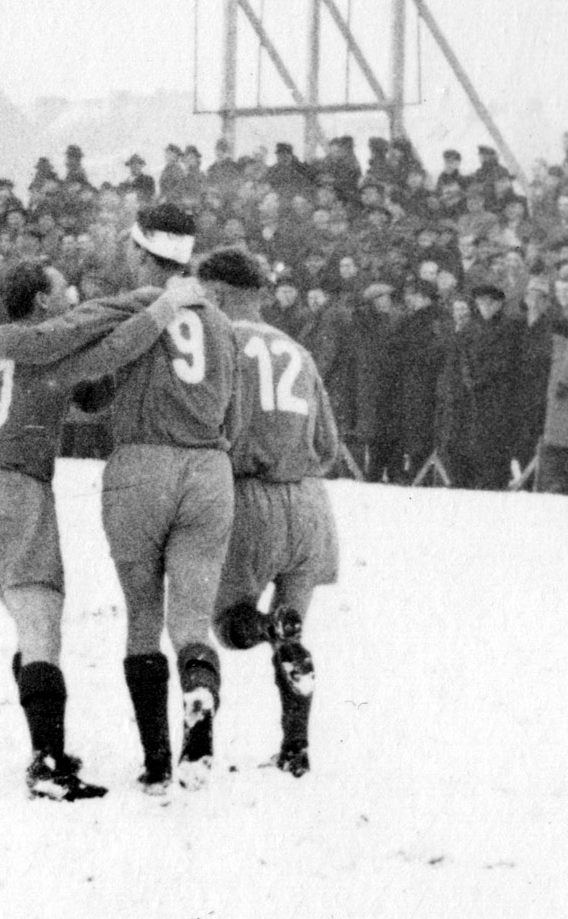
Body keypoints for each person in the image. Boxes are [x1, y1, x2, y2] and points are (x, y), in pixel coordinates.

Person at [0, 202, 242, 792]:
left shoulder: (116, 307)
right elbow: (106, 365)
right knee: (185, 620)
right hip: (206, 467)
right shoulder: (216, 320)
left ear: (143, 252)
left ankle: (149, 762)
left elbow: (80, 368)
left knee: (110, 621)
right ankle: (190, 716)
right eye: (61, 286)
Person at [195, 249, 337, 777]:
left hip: (247, 497)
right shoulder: (299, 349)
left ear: (218, 294)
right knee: (295, 631)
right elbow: (328, 444)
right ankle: (295, 749)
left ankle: (267, 626)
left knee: (230, 627)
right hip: (308, 502)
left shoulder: (220, 342)